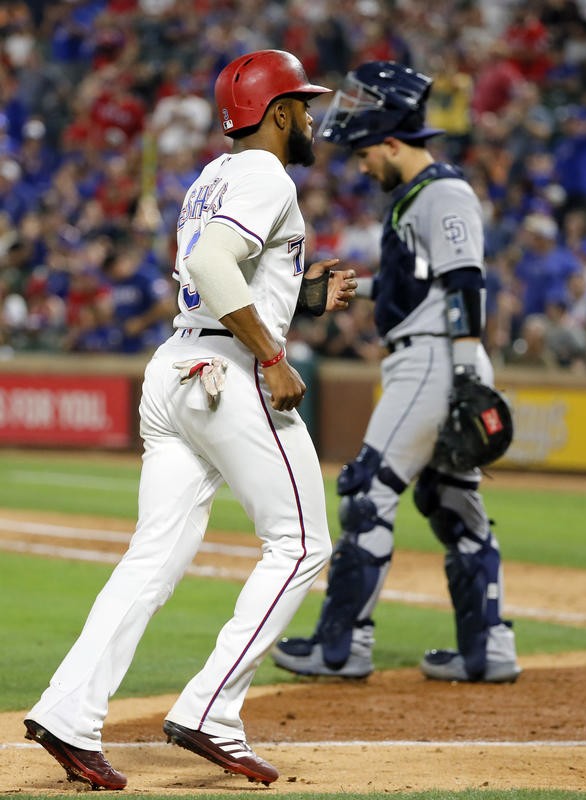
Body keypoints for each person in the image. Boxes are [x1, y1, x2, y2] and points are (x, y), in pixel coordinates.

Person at [23, 49, 357, 789]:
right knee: (301, 543)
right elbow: (210, 266)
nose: (309, 117)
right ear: (276, 115)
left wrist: (298, 300)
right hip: (229, 375)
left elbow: (215, 271)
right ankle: (211, 709)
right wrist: (273, 353)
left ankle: (69, 712)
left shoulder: (213, 175)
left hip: (175, 367)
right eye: (300, 105)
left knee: (152, 558)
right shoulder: (266, 174)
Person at [272, 61, 521, 685]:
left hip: (436, 358)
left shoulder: (442, 191)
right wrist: (351, 291)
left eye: (364, 153)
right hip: (435, 353)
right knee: (452, 502)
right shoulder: (419, 196)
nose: (360, 165)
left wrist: (464, 374)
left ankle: (340, 647)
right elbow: (422, 283)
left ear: (390, 142)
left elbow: (465, 281)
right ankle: (487, 649)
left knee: (369, 493)